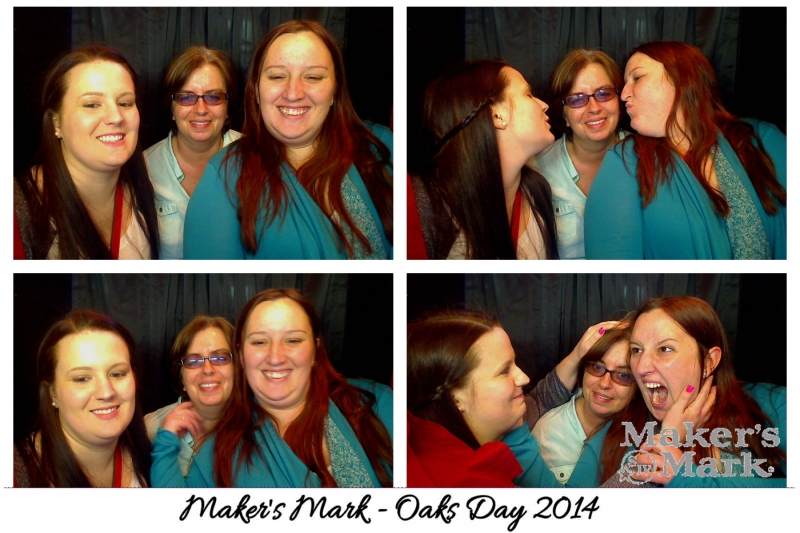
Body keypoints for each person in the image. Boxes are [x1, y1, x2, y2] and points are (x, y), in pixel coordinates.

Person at [183, 21, 393, 259]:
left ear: (335, 90)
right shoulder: (224, 178)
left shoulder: (380, 146)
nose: (293, 93)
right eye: (277, 76)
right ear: (256, 90)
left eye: (313, 77)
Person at [151, 288, 393, 487]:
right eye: (259, 342)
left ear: (315, 350)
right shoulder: (216, 455)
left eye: (293, 340)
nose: (275, 357)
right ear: (242, 356)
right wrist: (165, 446)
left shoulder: (376, 405)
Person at [584, 41, 786, 259]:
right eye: (625, 84)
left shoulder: (762, 139)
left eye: (638, 77)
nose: (623, 95)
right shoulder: (624, 162)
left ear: (682, 78)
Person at [570, 296, 785, 487]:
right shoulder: (614, 433)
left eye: (665, 349)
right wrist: (666, 440)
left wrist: (688, 482)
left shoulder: (773, 403)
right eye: (637, 350)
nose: (641, 367)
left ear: (709, 361)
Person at [407, 309, 613, 487]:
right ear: (456, 399)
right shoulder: (468, 487)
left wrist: (578, 354)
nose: (524, 378)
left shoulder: (503, 420)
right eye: (504, 371)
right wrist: (611, 430)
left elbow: (540, 400)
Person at [14, 45, 160, 259]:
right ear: (56, 122)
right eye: (92, 104)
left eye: (125, 103)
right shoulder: (16, 211)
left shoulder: (143, 189)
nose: (116, 117)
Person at [409, 60, 558, 259]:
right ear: (496, 115)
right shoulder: (425, 208)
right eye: (528, 95)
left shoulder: (537, 192)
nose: (544, 105)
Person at [13, 311, 151, 487]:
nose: (106, 392)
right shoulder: (14, 475)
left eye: (117, 374)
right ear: (52, 393)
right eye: (82, 379)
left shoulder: (147, 454)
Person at [144, 46, 242, 259]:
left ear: (227, 107)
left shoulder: (258, 159)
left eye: (213, 97)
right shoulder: (144, 171)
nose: (201, 109)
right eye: (186, 98)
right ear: (171, 108)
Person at [532, 49, 625, 259]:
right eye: (577, 100)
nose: (594, 108)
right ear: (564, 114)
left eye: (604, 93)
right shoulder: (538, 169)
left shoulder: (649, 159)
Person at [532, 323, 636, 484]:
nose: (604, 384)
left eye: (623, 375)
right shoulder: (547, 433)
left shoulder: (644, 431)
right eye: (597, 367)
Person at [143, 316, 235, 476]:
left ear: (238, 369)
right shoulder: (151, 428)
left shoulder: (261, 431)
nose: (208, 369)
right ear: (182, 379)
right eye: (193, 362)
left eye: (220, 358)